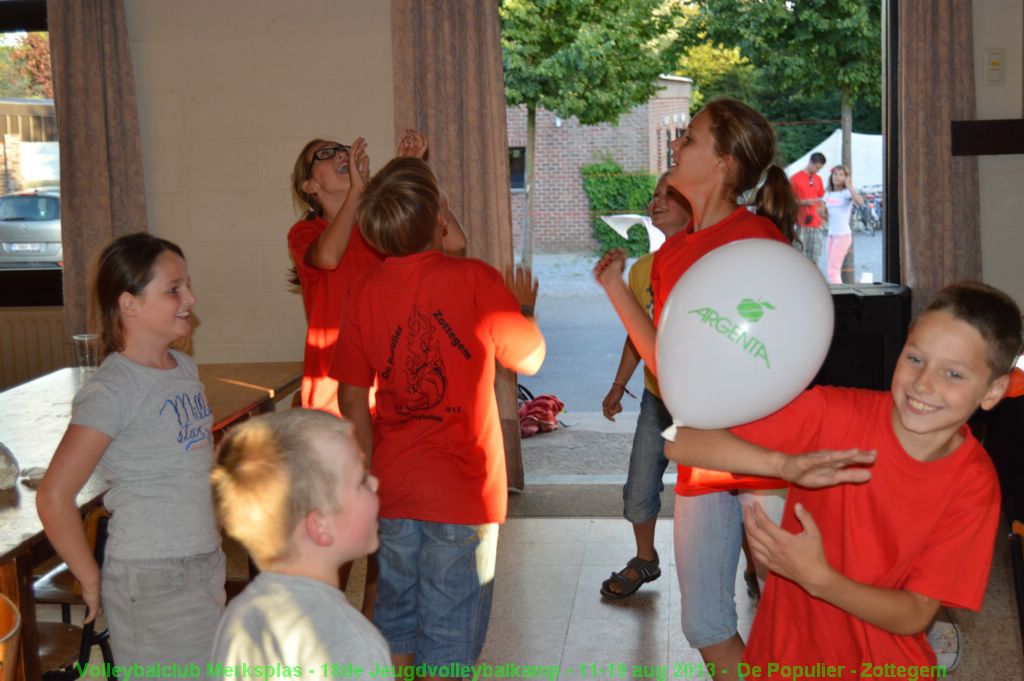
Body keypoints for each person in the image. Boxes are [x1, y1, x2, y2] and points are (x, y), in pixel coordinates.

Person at [666, 281, 1021, 677]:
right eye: (916, 359)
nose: (924, 384)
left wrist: (820, 580)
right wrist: (782, 465)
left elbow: (916, 614)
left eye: (953, 373)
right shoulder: (834, 414)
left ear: (993, 391)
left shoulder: (974, 484)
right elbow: (681, 441)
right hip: (784, 660)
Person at [594, 97, 798, 675]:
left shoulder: (755, 237)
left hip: (761, 447)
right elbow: (667, 361)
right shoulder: (673, 254)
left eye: (690, 139)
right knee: (705, 623)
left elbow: (775, 351)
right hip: (703, 454)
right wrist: (615, 288)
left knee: (795, 612)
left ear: (725, 163)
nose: (678, 146)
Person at [333, 157, 546, 674]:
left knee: (397, 620)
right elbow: (531, 359)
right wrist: (523, 310)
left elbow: (352, 397)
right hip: (463, 494)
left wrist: (367, 471)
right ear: (438, 220)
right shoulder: (475, 278)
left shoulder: (363, 290)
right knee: (449, 637)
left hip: (394, 487)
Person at [37, 233, 224, 677]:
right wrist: (90, 576)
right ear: (129, 304)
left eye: (188, 285)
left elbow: (188, 454)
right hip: (153, 577)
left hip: (203, 561)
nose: (191, 298)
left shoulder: (183, 368)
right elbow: (53, 495)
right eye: (174, 288)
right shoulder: (112, 389)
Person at [287, 130, 466, 417]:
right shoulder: (304, 233)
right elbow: (329, 257)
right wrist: (360, 191)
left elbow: (455, 242)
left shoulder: (379, 225)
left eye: (341, 149)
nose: (341, 154)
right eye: (325, 154)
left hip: (389, 378)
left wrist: (409, 173)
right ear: (309, 185)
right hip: (332, 387)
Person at [209, 409, 391, 674]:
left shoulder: (238, 614)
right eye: (361, 480)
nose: (374, 483)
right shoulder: (353, 642)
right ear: (320, 526)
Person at [599, 173, 691, 599]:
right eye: (654, 195)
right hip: (657, 400)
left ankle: (753, 568)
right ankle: (645, 559)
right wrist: (619, 384)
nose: (656, 201)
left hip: (702, 405)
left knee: (724, 493)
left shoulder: (707, 262)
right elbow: (638, 335)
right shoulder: (641, 270)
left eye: (668, 196)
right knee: (638, 491)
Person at [823, 164, 864, 284]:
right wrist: (821, 214)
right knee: (831, 270)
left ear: (846, 178)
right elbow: (829, 218)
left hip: (842, 236)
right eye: (835, 174)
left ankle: (840, 297)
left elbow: (860, 202)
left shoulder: (847, 193)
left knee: (832, 270)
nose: (837, 177)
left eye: (841, 175)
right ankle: (839, 294)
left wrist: (849, 186)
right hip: (831, 235)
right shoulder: (828, 194)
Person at [790, 151, 827, 267]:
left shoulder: (818, 179)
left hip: (816, 224)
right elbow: (788, 201)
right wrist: (803, 202)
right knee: (799, 257)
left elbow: (820, 198)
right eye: (817, 167)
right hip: (801, 224)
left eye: (820, 168)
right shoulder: (795, 179)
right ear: (810, 162)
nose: (818, 170)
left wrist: (824, 216)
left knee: (814, 258)